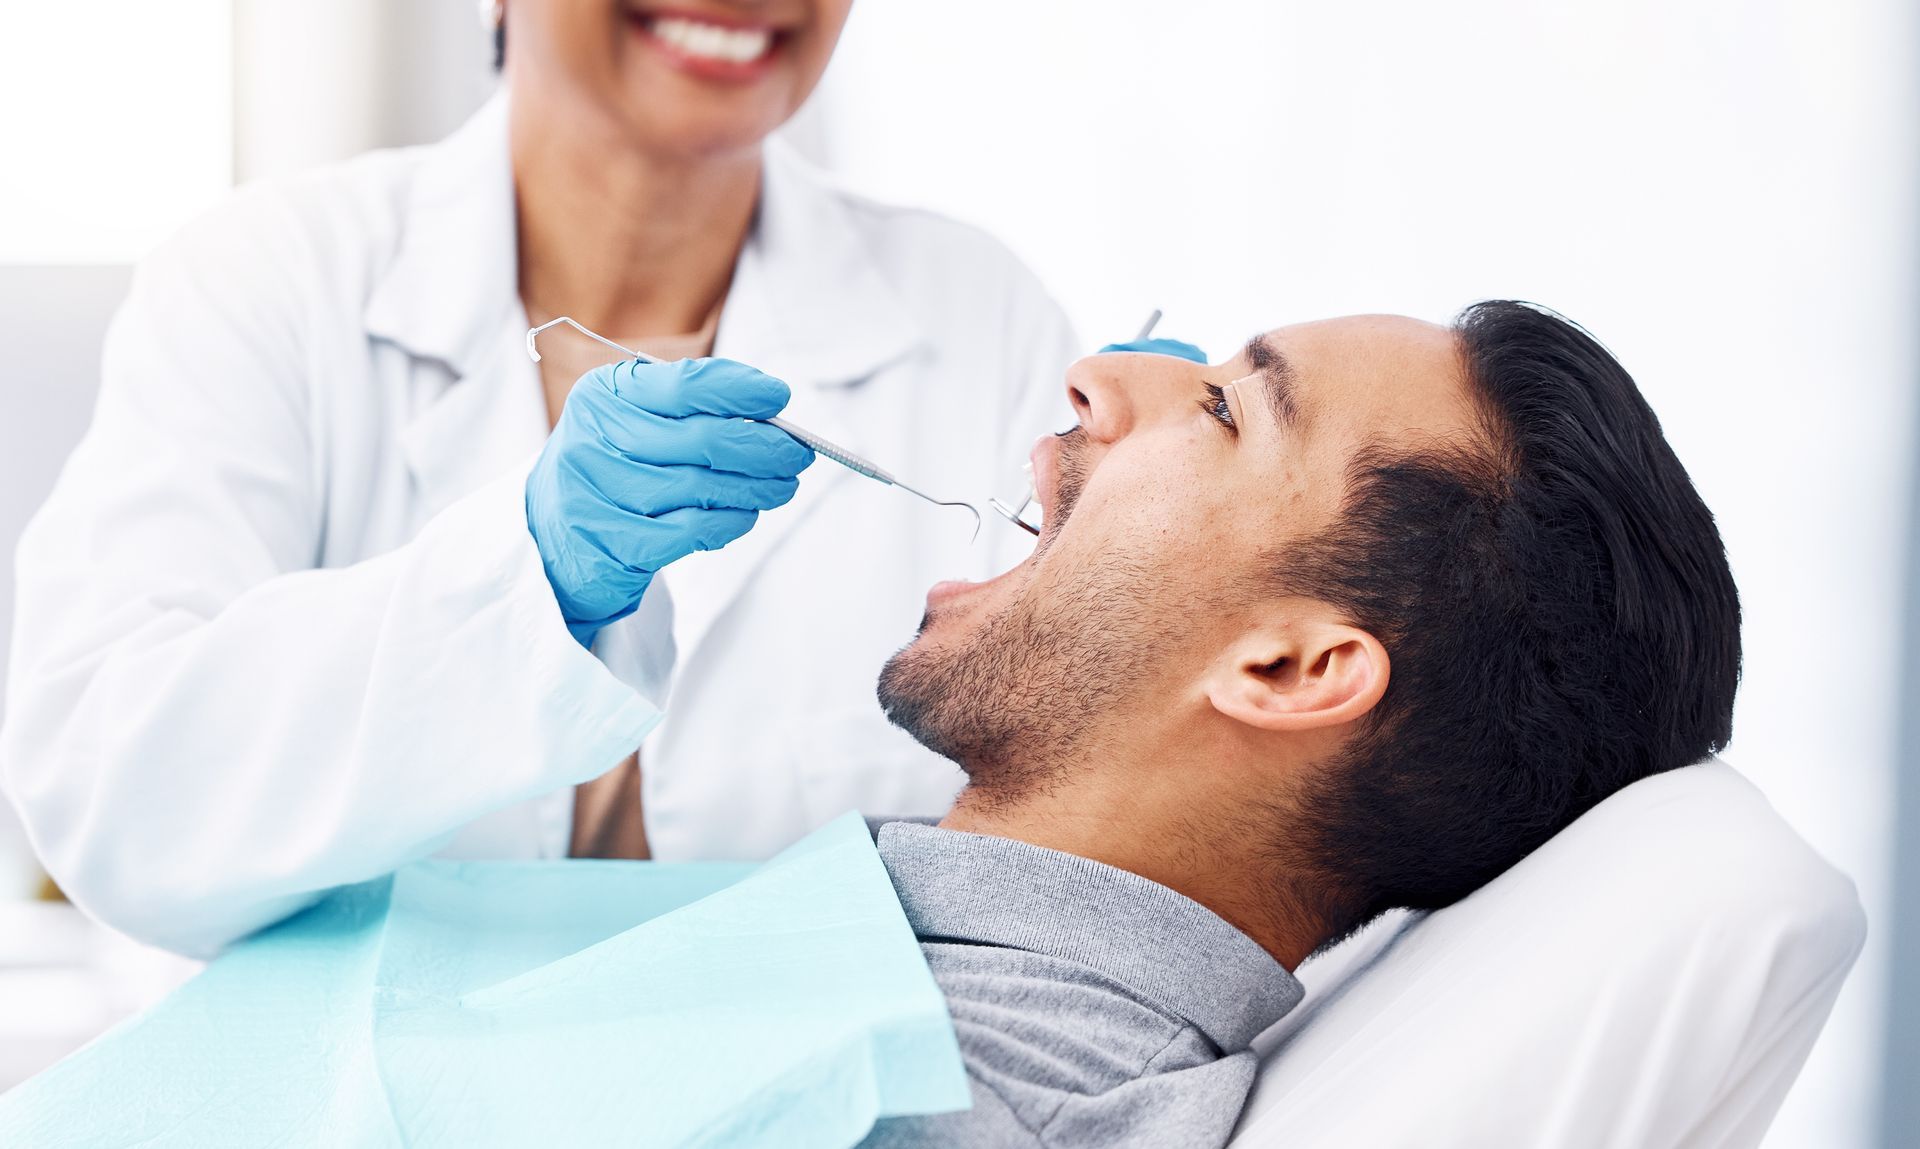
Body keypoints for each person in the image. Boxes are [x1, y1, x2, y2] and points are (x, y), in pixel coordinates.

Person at [0, 0, 1167, 955]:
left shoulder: (975, 309)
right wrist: (523, 579)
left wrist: (1176, 557)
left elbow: (1078, 818)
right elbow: (112, 792)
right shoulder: (269, 278)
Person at [854, 300, 1740, 1146]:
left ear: (1290, 669)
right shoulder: (899, 946)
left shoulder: (944, 1107)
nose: (1094, 377)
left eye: (1227, 409)